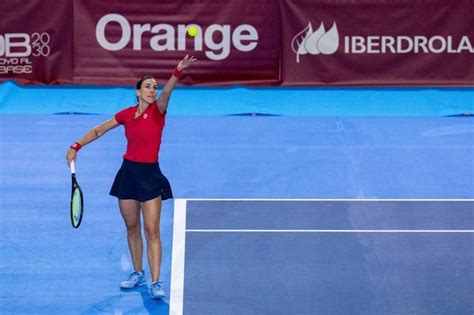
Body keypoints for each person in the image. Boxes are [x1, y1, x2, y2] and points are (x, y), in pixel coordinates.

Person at [65, 55, 196, 299]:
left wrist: (177, 72)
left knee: (152, 230)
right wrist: (76, 146)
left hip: (150, 175)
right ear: (137, 92)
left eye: (154, 87)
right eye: (147, 86)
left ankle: (156, 282)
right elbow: (99, 130)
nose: (152, 89)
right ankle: (138, 273)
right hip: (128, 173)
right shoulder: (126, 114)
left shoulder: (159, 111)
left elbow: (168, 91)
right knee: (132, 227)